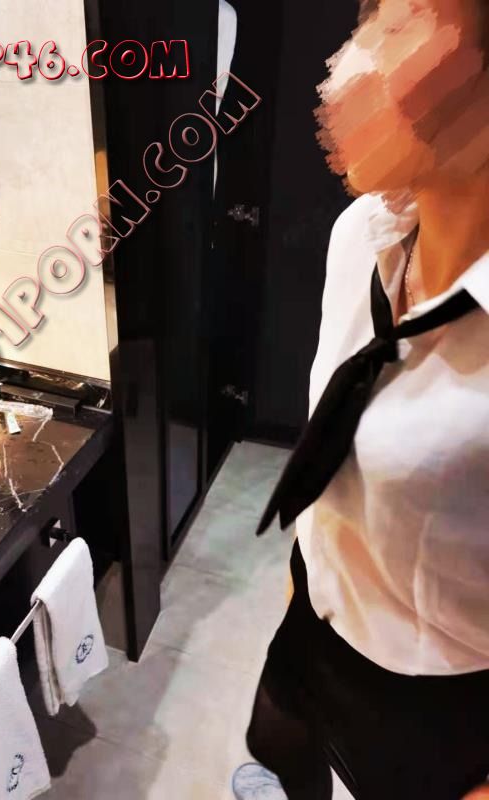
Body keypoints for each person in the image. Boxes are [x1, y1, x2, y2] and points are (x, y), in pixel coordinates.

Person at [233, 0, 489, 798]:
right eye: (368, 17)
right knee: (286, 757)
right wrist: (304, 581)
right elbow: (334, 441)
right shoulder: (360, 235)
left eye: (404, 22)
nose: (346, 66)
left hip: (432, 704)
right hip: (315, 622)